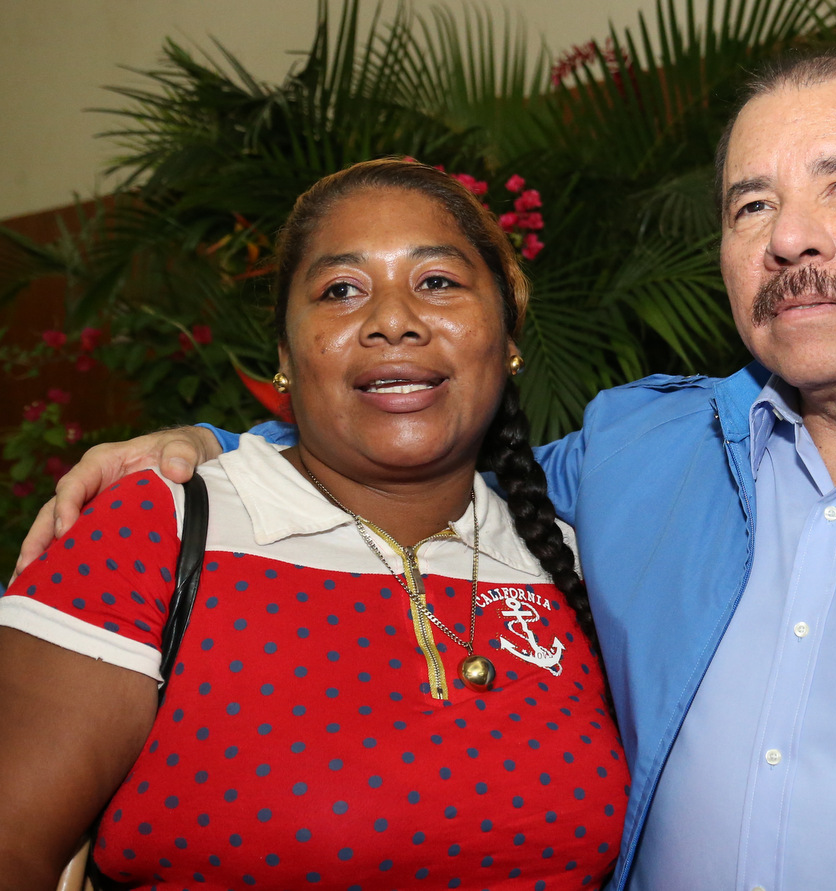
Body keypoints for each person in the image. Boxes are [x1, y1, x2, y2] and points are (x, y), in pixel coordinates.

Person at [16, 51, 836, 890]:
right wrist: (220, 448)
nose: (791, 238)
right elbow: (419, 458)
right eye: (752, 204)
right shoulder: (642, 459)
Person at [0, 160, 629, 889]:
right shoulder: (159, 525)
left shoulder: (571, 564)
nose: (393, 319)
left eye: (437, 282)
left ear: (509, 337)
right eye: (341, 290)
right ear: (285, 357)